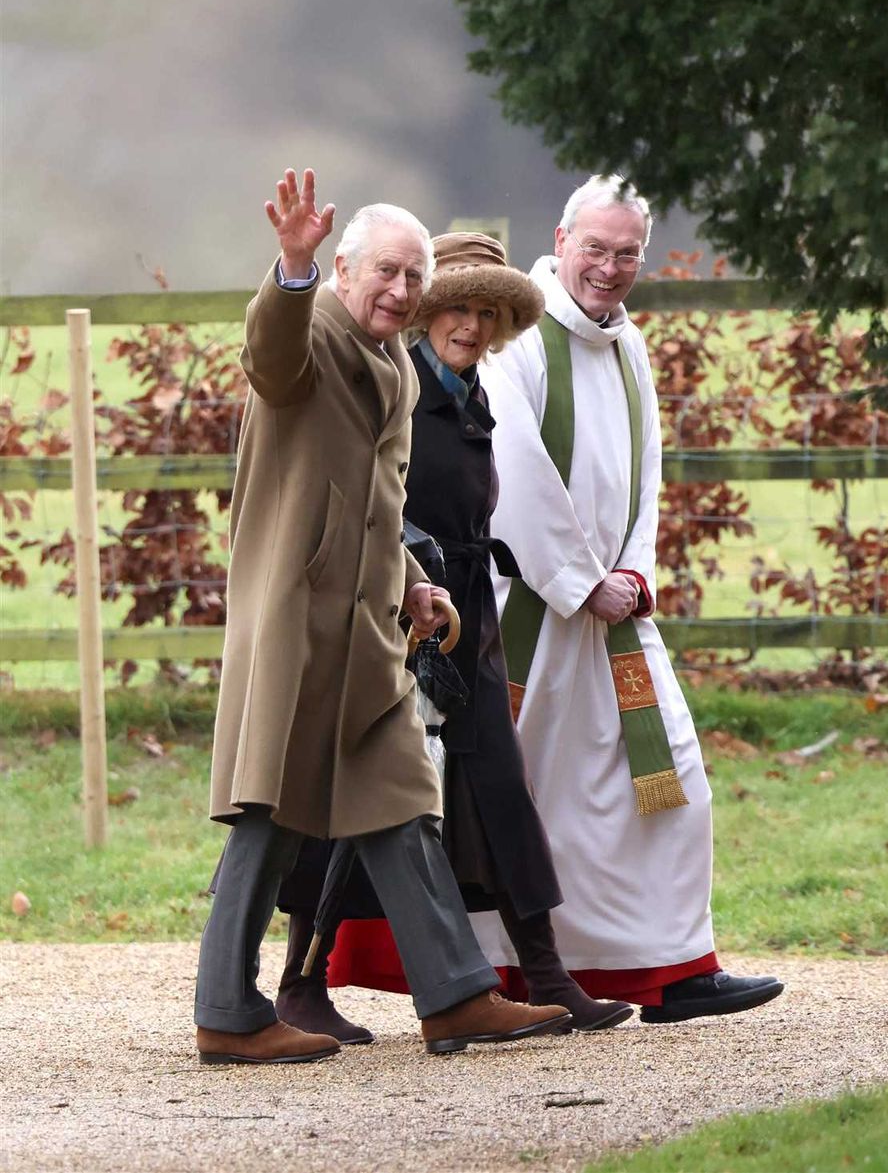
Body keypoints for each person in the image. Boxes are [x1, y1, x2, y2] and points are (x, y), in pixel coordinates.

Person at [193, 169, 572, 1064]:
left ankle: (453, 997)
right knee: (269, 810)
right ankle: (225, 1011)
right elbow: (268, 358)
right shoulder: (314, 332)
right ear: (345, 272)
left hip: (363, 627)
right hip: (294, 622)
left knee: (402, 797)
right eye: (385, 274)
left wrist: (412, 580)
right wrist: (290, 268)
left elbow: (373, 501)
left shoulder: (395, 361)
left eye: (413, 277)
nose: (401, 291)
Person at [276, 234, 635, 1037]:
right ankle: (301, 985)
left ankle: (544, 973)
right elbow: (367, 490)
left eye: (487, 312)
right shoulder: (395, 383)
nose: (471, 325)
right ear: (428, 312)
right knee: (354, 798)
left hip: (467, 619)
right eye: (457, 308)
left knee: (501, 791)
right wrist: (409, 577)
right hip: (394, 621)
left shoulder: (475, 392)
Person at [467, 176, 784, 1023]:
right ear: (562, 237)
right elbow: (517, 474)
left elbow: (647, 470)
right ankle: (502, 973)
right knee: (527, 794)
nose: (609, 268)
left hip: (615, 612)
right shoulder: (520, 340)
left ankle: (672, 968)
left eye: (627, 252)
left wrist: (635, 574)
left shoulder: (627, 343)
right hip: (536, 612)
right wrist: (579, 582)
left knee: (671, 780)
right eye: (596, 248)